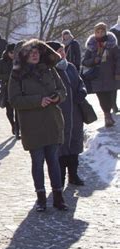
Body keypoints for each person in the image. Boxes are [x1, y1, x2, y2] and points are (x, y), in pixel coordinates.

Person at [9, 39, 69, 212]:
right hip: (32, 126)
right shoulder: (16, 75)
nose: (35, 55)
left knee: (54, 161)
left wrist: (57, 97)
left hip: (52, 121)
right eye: (31, 52)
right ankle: (41, 198)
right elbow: (14, 100)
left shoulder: (49, 70)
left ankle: (58, 197)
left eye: (37, 51)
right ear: (24, 55)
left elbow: (62, 90)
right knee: (37, 162)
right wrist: (37, 101)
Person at [47, 41, 86, 187]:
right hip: (58, 113)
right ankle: (60, 177)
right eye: (59, 51)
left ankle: (73, 175)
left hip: (75, 113)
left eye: (63, 51)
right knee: (60, 146)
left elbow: (80, 82)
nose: (62, 54)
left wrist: (82, 91)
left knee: (75, 144)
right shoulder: (48, 70)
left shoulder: (71, 67)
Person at [82, 22, 120, 127]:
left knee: (109, 96)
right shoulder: (91, 46)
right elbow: (84, 62)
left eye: (102, 31)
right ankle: (107, 116)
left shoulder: (112, 45)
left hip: (110, 76)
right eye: (97, 32)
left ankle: (109, 116)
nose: (100, 33)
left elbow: (118, 59)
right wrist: (94, 60)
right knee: (101, 98)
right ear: (95, 33)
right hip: (97, 77)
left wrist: (118, 72)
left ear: (105, 31)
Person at [0, 43, 20, 139]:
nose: (13, 54)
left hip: (17, 87)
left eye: (15, 52)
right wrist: (8, 76)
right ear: (7, 52)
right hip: (6, 87)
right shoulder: (2, 61)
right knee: (9, 110)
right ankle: (13, 125)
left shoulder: (18, 61)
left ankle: (17, 130)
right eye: (11, 52)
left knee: (18, 109)